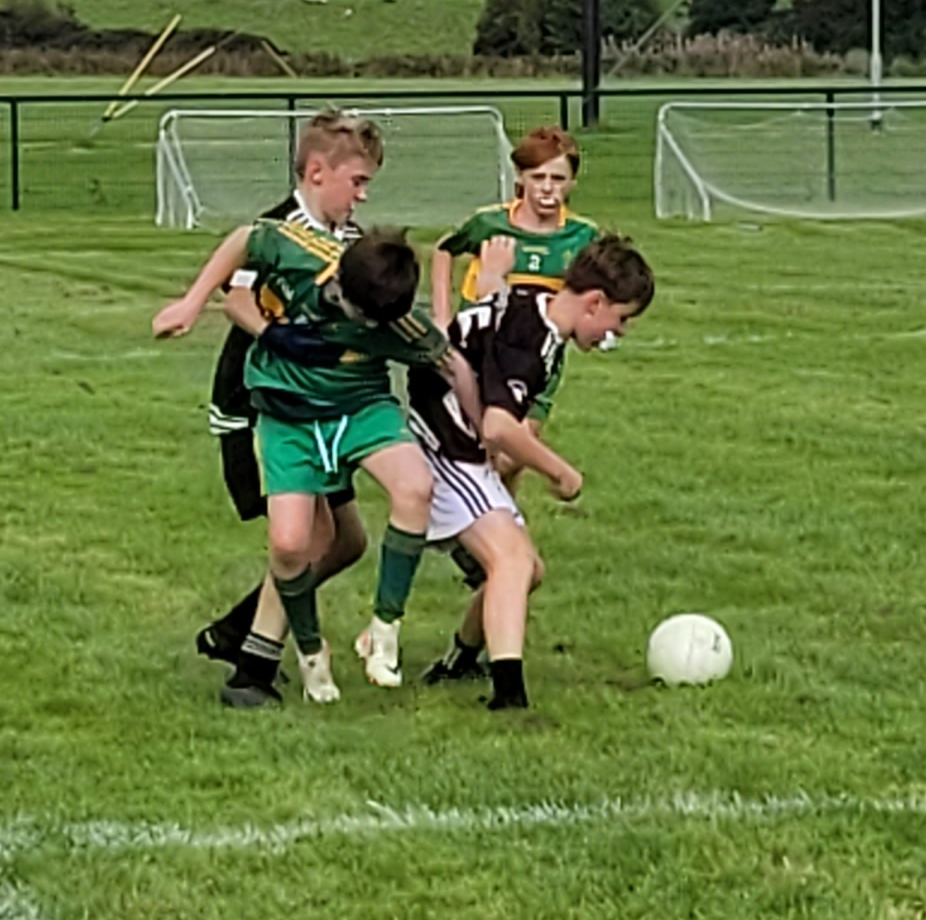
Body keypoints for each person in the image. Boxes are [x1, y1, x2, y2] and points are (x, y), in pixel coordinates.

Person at [156, 112, 479, 707]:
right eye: (358, 181)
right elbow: (239, 299)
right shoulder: (286, 232)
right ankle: (259, 658)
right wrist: (222, 315)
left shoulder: (350, 247)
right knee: (304, 541)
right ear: (316, 172)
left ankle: (259, 639)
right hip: (272, 402)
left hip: (339, 402)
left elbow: (421, 344)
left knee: (343, 540)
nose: (363, 195)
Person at [400, 239, 654, 710]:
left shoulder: (537, 307)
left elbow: (492, 309)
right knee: (512, 561)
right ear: (594, 302)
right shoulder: (533, 340)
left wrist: (494, 275)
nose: (617, 333)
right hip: (445, 444)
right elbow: (498, 427)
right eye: (621, 319)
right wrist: (560, 472)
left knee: (527, 571)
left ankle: (459, 662)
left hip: (456, 437)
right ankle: (509, 697)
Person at [436, 126, 610, 310]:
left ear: (572, 183)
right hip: (482, 326)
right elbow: (444, 250)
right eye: (538, 177)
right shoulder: (487, 222)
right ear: (520, 177)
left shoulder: (583, 235)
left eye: (558, 179)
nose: (547, 188)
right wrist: (441, 315)